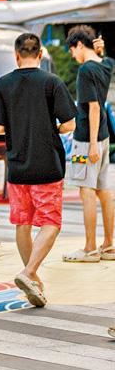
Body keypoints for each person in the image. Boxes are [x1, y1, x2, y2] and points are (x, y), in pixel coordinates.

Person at [0, 32, 76, 307]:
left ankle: (34, 281)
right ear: (40, 55)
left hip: (17, 165)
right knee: (51, 223)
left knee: (23, 223)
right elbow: (70, 124)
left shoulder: (3, 84)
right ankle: (28, 273)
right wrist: (54, 127)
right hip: (47, 164)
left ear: (16, 56)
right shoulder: (52, 82)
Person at [63, 26, 115, 263]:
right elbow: (107, 58)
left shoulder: (85, 70)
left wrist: (92, 144)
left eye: (72, 49)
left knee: (86, 192)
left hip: (87, 140)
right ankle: (108, 245)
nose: (73, 55)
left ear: (80, 45)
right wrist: (101, 52)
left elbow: (93, 107)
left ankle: (90, 248)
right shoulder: (106, 64)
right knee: (104, 191)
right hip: (104, 136)